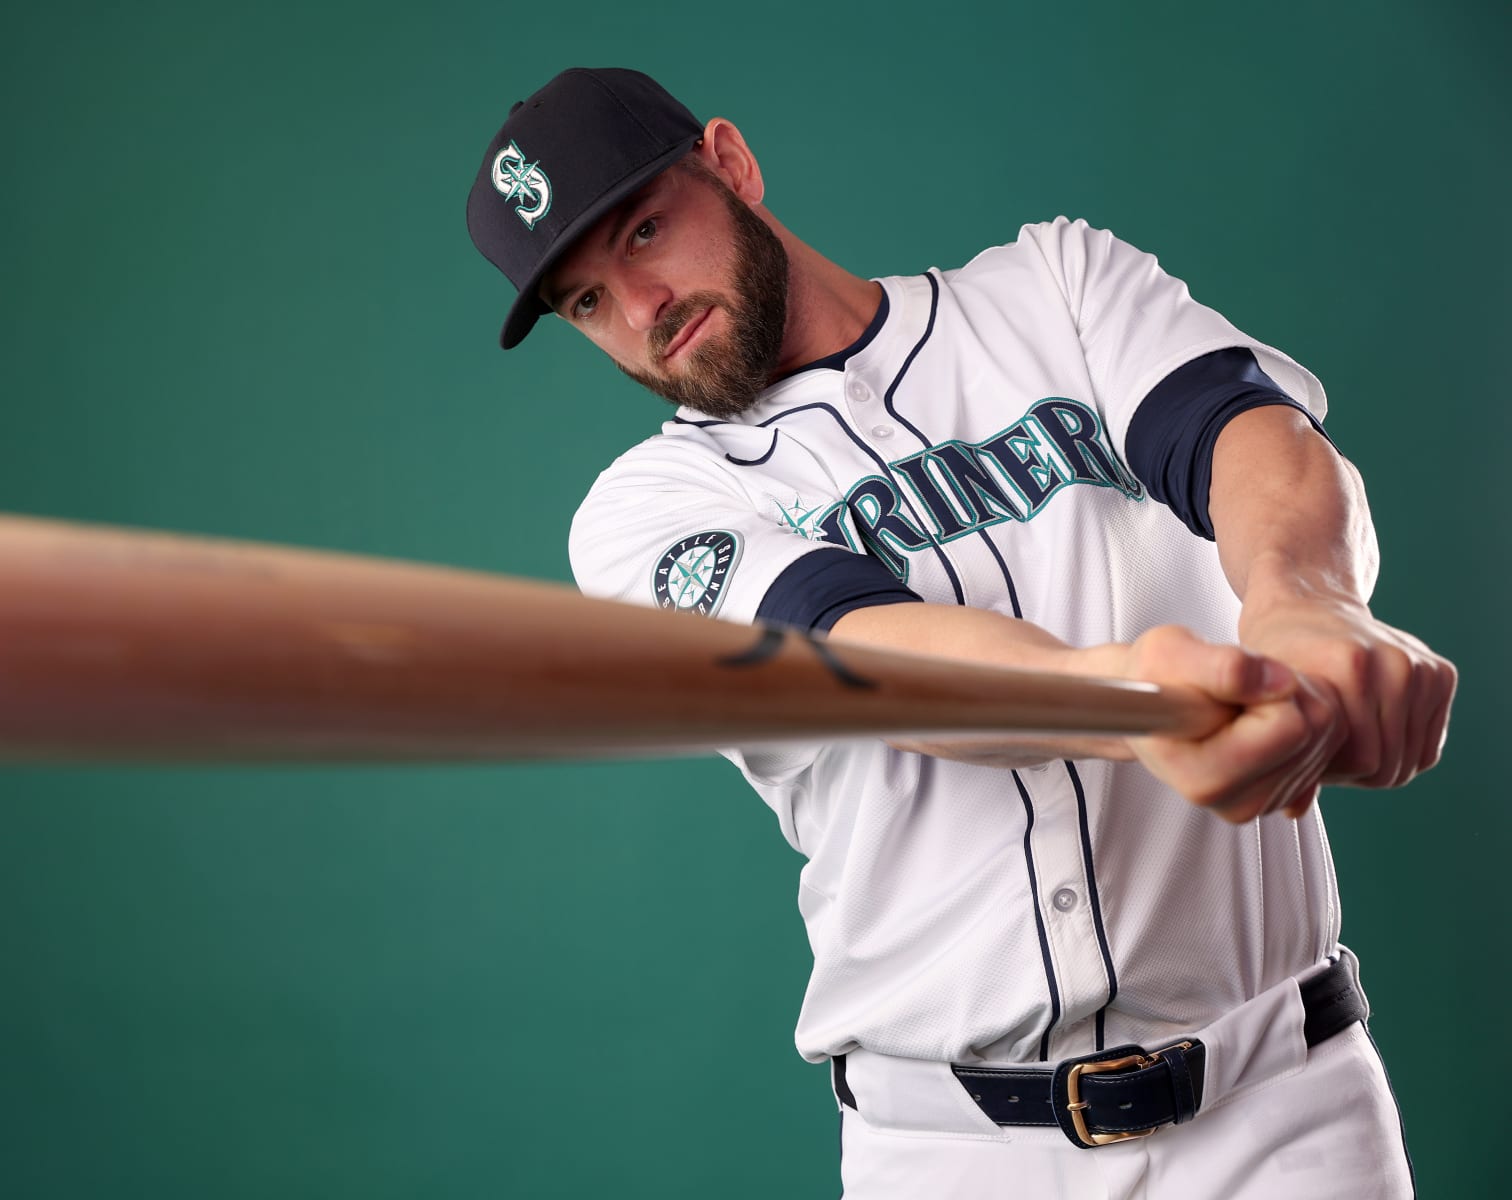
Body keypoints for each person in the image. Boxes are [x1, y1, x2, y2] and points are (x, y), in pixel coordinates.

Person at [465, 67, 1454, 1198]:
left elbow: (1251, 442)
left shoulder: (1056, 287)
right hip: (954, 1151)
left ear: (729, 166)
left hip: (1282, 1108)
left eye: (644, 231)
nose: (641, 308)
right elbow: (873, 659)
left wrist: (1305, 602)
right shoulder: (645, 515)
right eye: (586, 301)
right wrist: (1133, 701)